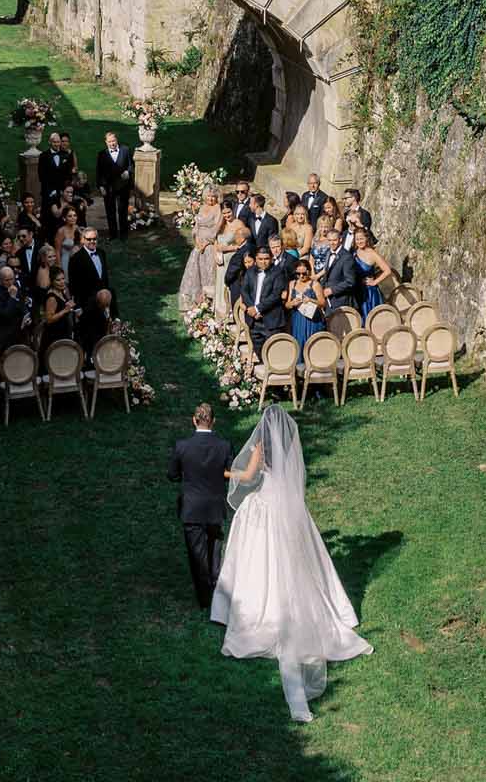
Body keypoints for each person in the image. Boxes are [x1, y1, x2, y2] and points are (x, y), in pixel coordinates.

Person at [212, 407, 372, 720]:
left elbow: (249, 475)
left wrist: (227, 473)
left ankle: (257, 605)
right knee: (298, 554)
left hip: (265, 503)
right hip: (287, 506)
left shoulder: (260, 448)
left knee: (256, 554)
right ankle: (330, 609)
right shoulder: (287, 446)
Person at [168, 403, 234, 611]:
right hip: (215, 506)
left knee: (197, 556)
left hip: (192, 508)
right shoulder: (224, 446)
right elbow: (230, 473)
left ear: (194, 420)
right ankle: (216, 590)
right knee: (214, 551)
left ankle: (205, 601)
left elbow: (172, 474)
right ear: (213, 421)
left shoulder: (182, 446)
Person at [68, 227, 116, 351]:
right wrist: (77, 307)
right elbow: (74, 285)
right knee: (90, 334)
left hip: (103, 300)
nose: (92, 241)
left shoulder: (101, 253)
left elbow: (104, 278)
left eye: (94, 239)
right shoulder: (76, 259)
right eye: (89, 239)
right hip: (87, 303)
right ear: (83, 240)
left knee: (105, 330)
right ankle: (90, 359)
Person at [178, 190, 223, 312]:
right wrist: (197, 240)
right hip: (198, 243)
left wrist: (206, 243)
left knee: (207, 271)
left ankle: (208, 300)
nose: (211, 199)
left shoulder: (218, 208)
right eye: (209, 196)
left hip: (209, 245)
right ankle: (194, 299)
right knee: (195, 269)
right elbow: (197, 225)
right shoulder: (202, 207)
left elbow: (217, 228)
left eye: (213, 196)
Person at [242, 246, 289, 352]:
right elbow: (244, 291)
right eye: (260, 259)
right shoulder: (250, 271)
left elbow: (275, 295)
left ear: (271, 258)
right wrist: (252, 309)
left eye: (266, 259)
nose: (263, 262)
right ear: (256, 259)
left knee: (274, 353)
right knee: (259, 352)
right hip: (253, 321)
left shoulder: (278, 272)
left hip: (271, 321)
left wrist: (258, 308)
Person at [288, 258, 324, 365]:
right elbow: (287, 304)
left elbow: (323, 303)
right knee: (299, 344)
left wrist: (311, 300)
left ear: (308, 271)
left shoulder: (315, 284)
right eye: (298, 274)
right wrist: (292, 303)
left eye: (304, 273)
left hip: (312, 320)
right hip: (297, 320)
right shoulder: (292, 284)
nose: (301, 276)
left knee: (312, 346)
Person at [354, 227, 391, 318]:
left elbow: (387, 270)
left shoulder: (373, 254)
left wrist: (374, 282)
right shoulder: (354, 252)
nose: (359, 241)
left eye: (361, 238)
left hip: (369, 293)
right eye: (357, 239)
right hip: (356, 290)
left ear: (367, 238)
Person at [0, 265, 26, 351]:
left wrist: (26, 315)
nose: (10, 282)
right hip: (4, 335)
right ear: (0, 279)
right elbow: (5, 315)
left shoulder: (15, 285)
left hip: (18, 332)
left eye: (12, 279)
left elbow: (21, 303)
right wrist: (12, 298)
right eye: (7, 280)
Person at [38, 131, 70, 209]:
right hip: (48, 192)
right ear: (50, 142)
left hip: (62, 192)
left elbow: (68, 174)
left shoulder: (65, 155)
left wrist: (64, 190)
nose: (56, 144)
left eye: (58, 142)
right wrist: (51, 191)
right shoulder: (44, 156)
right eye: (54, 142)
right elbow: (42, 176)